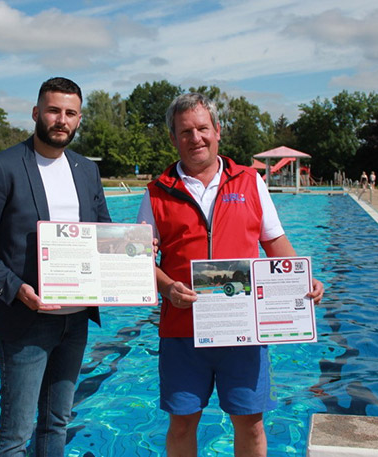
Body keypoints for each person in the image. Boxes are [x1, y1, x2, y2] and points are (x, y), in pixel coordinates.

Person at [136, 93, 324, 457]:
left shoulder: (250, 182)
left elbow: (275, 242)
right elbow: (140, 259)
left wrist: (303, 279)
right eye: (185, 131)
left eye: (202, 128)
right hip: (182, 328)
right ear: (173, 139)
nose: (195, 138)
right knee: (182, 424)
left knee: (251, 425)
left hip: (243, 328)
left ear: (218, 131)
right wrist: (167, 286)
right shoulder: (156, 193)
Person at [0, 77, 110, 457]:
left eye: (70, 113)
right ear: (36, 113)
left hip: (75, 320)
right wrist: (14, 289)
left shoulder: (86, 170)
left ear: (78, 120)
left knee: (56, 423)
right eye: (54, 110)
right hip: (24, 320)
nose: (61, 120)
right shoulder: (2, 167)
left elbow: (103, 233)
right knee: (16, 434)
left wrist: (134, 248)